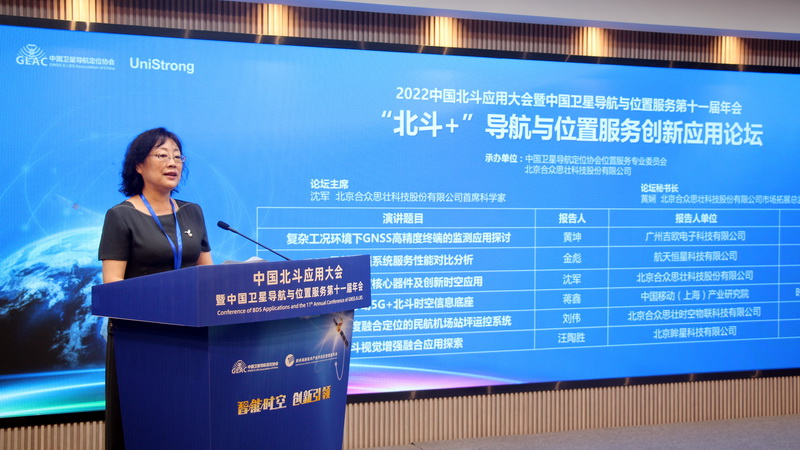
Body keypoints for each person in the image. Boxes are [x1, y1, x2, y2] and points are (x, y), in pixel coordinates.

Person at [98, 127, 212, 449]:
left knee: (188, 423)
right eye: (162, 155)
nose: (172, 163)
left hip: (191, 333)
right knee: (146, 424)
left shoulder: (192, 212)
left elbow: (208, 275)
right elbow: (113, 287)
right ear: (138, 165)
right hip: (141, 338)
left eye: (177, 156)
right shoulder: (121, 216)